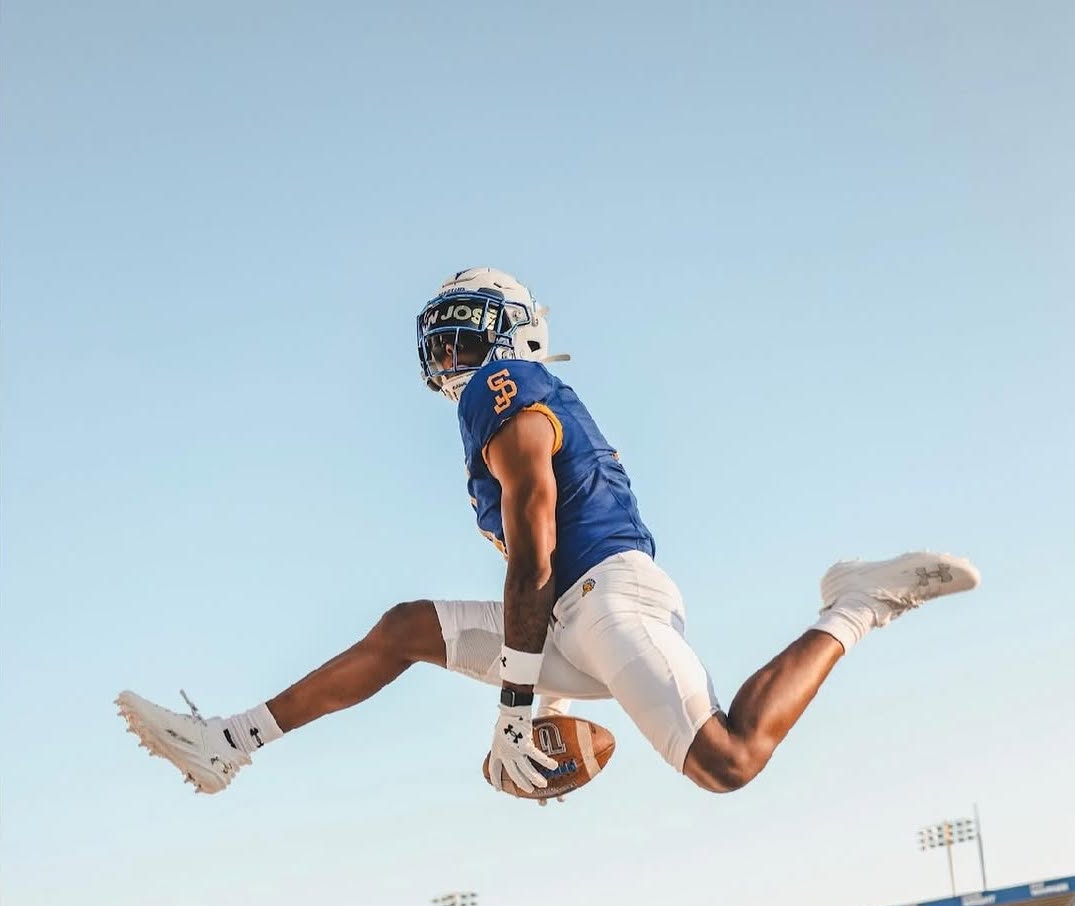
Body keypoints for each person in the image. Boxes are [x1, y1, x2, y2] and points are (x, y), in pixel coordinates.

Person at [117, 267, 980, 798]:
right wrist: (544, 719)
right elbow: (534, 569)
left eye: (463, 339)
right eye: (440, 348)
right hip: (571, 611)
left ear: (510, 336)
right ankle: (230, 743)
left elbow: (534, 543)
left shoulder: (509, 382)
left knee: (727, 760)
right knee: (406, 629)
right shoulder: (494, 397)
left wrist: (519, 704)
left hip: (607, 595)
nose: (450, 360)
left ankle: (856, 602)